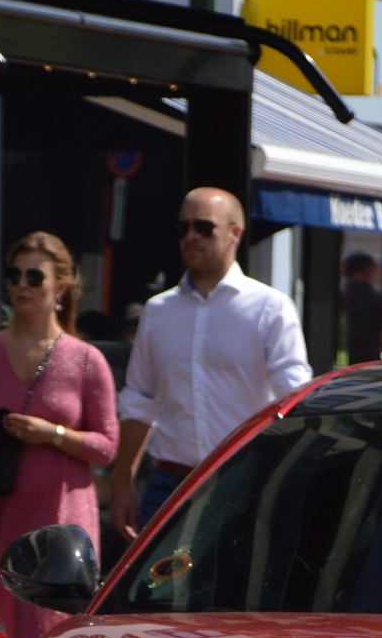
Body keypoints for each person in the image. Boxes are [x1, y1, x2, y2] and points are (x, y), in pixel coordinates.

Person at [0, 230, 118, 638]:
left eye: (35, 277)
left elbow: (107, 445)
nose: (21, 286)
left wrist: (54, 434)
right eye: (14, 276)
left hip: (56, 521)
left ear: (61, 287)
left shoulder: (86, 361)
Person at [110, 187, 309, 542]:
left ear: (236, 233)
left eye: (203, 227)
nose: (190, 237)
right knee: (158, 596)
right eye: (182, 228)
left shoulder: (270, 308)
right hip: (168, 485)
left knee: (232, 596)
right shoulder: (158, 311)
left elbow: (294, 402)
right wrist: (123, 482)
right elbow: (139, 400)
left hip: (243, 481)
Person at [341, 250, 382, 364]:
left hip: (341, 362)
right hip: (369, 363)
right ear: (366, 270)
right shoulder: (375, 298)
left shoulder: (341, 297)